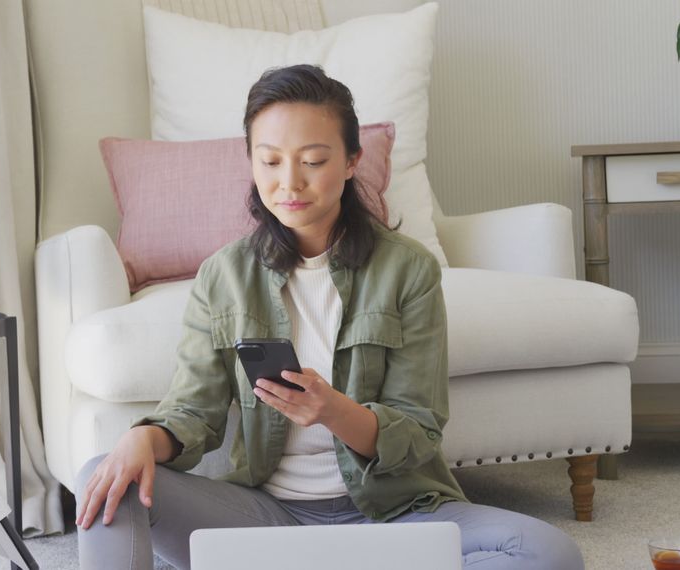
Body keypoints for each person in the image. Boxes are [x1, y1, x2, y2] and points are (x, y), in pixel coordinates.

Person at [75, 64, 585, 570]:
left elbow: (418, 433)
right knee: (107, 476)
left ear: (350, 161)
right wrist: (143, 437)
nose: (289, 182)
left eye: (313, 160)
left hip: (391, 515)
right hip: (264, 518)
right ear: (251, 162)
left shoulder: (408, 269)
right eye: (270, 161)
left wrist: (332, 410)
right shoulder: (222, 276)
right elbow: (195, 413)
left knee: (547, 552)